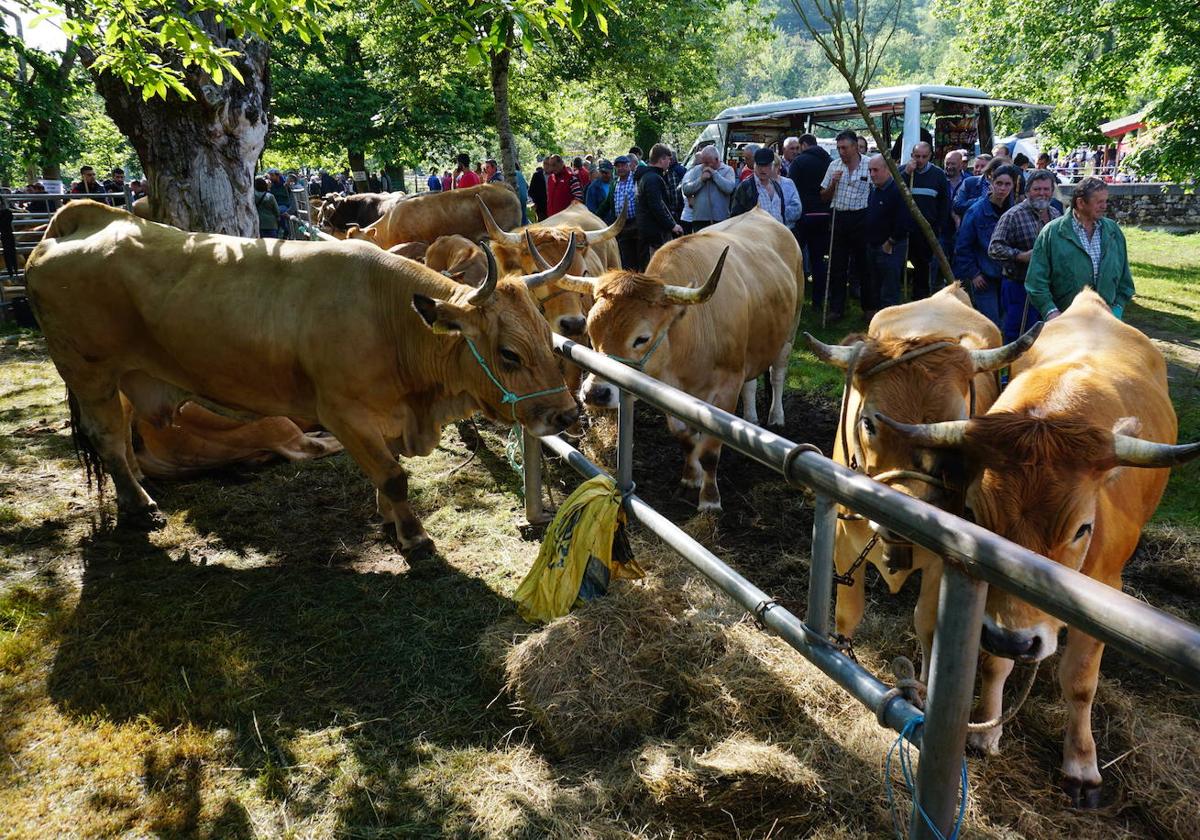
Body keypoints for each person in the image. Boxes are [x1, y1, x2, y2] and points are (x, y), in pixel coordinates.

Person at [1024, 176, 1134, 321]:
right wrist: (1051, 312)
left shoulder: (1113, 231)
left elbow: (1125, 281)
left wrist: (1117, 309)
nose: (1104, 206)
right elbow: (1036, 282)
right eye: (1099, 202)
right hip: (1065, 322)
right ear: (1081, 202)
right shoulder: (1052, 232)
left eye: (1105, 201)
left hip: (1107, 322)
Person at [987, 169, 1061, 341]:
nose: (1042, 193)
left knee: (1045, 335)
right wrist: (1020, 256)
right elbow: (994, 248)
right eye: (1037, 189)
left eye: (1046, 189)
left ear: (1051, 191)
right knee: (1018, 337)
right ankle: (1011, 368)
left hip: (1047, 288)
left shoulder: (1056, 215)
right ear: (1028, 191)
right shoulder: (1013, 215)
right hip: (1019, 286)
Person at [954, 163, 1020, 327]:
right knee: (991, 323)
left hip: (1010, 276)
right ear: (991, 182)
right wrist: (973, 273)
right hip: (985, 276)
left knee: (1009, 322)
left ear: (1013, 186)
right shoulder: (975, 211)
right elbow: (963, 246)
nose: (1002, 189)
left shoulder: (1016, 211)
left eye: (1007, 184)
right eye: (999, 183)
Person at [819, 130, 871, 321]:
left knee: (865, 265)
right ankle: (837, 308)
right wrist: (833, 183)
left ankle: (869, 307)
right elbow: (823, 196)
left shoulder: (869, 164)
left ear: (855, 147)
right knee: (837, 265)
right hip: (839, 217)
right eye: (839, 148)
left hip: (862, 218)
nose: (841, 152)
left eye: (845, 147)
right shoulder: (834, 166)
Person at [863, 154, 912, 317]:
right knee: (875, 285)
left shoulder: (898, 191)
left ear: (888, 170)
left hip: (891, 246)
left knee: (889, 289)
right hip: (874, 245)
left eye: (875, 170)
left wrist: (891, 241)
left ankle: (890, 323)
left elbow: (904, 221)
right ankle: (879, 320)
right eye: (870, 170)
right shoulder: (875, 190)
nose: (872, 174)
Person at [901, 141, 951, 299]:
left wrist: (939, 227)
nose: (920, 160)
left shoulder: (938, 175)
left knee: (922, 266)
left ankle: (920, 297)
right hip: (904, 228)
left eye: (924, 156)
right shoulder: (903, 172)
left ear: (930, 156)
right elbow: (895, 191)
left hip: (926, 230)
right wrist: (906, 174)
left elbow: (944, 203)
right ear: (911, 156)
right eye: (917, 156)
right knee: (899, 264)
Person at [789, 134, 832, 304]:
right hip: (823, 214)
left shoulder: (799, 162)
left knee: (796, 257)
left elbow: (792, 187)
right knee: (818, 259)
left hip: (803, 215)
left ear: (803, 145)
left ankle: (797, 294)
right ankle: (818, 299)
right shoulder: (829, 161)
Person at [634, 143, 682, 269]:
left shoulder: (648, 177)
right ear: (662, 160)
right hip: (654, 235)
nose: (670, 161)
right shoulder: (652, 179)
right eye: (668, 158)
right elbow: (657, 206)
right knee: (656, 270)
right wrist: (672, 225)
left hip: (650, 232)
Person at [730, 147, 799, 226]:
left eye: (767, 166)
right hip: (755, 236)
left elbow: (781, 214)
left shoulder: (776, 186)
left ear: (772, 166)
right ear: (754, 165)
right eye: (760, 165)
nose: (763, 170)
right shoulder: (746, 187)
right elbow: (735, 218)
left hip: (776, 235)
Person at [680, 145, 736, 231]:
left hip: (720, 219)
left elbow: (729, 189)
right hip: (699, 219)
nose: (704, 165)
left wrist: (714, 174)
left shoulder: (728, 170)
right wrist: (701, 180)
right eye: (703, 162)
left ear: (717, 159)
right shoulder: (696, 170)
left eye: (707, 163)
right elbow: (686, 190)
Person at [612, 155, 639, 268]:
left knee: (639, 256)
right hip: (621, 225)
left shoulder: (635, 179)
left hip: (635, 223)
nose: (620, 168)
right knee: (626, 258)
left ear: (629, 166)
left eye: (623, 165)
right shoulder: (615, 183)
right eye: (618, 166)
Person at [586, 159, 615, 223]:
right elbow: (591, 210)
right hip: (601, 223)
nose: (604, 175)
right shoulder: (593, 187)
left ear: (611, 172)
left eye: (606, 173)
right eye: (602, 172)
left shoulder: (617, 183)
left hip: (616, 221)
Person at [662, 151, 687, 225]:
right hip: (685, 205)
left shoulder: (672, 172)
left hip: (679, 208)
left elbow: (675, 192)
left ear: (672, 159)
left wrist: (673, 208)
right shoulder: (683, 168)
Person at [529, 156, 548, 221]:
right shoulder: (537, 175)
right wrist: (536, 201)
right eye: (545, 164)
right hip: (541, 208)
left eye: (548, 164)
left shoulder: (555, 175)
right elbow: (531, 191)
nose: (546, 166)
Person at [512, 160, 530, 226]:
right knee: (524, 214)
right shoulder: (520, 173)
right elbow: (527, 186)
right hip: (523, 197)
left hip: (517, 198)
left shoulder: (513, 175)